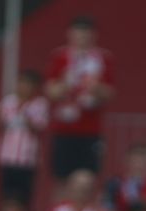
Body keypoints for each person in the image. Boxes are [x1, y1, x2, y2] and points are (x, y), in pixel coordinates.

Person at [44, 15, 113, 179]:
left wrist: (94, 87)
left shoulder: (103, 58)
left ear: (93, 35)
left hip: (90, 129)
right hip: (63, 128)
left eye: (86, 33)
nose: (82, 37)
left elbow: (110, 93)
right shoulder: (59, 57)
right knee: (61, 178)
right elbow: (50, 91)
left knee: (88, 178)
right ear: (70, 34)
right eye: (78, 33)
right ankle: (60, 206)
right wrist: (66, 83)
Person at [0, 70, 48, 210]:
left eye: (28, 84)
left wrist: (24, 112)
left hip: (27, 158)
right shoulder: (8, 101)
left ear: (34, 87)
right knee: (5, 192)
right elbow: (2, 121)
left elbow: (38, 126)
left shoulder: (40, 104)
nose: (23, 87)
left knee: (25, 194)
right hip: (7, 155)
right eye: (21, 83)